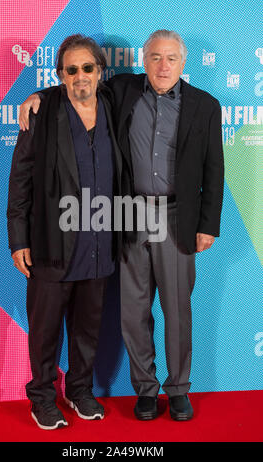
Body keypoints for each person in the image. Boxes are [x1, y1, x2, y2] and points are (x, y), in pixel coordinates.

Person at [19, 29, 224, 422]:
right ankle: (145, 391)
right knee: (133, 311)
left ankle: (178, 389)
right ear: (144, 61)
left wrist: (207, 224)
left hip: (177, 218)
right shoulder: (123, 90)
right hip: (128, 215)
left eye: (172, 59)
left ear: (184, 63)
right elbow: (78, 86)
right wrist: (39, 97)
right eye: (155, 58)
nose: (163, 66)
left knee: (177, 310)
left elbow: (214, 169)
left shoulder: (206, 106)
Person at [7, 34, 122, 430]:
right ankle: (41, 397)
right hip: (51, 244)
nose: (80, 77)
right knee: (45, 330)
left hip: (99, 242)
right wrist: (18, 239)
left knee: (88, 328)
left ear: (100, 72)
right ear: (60, 76)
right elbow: (19, 179)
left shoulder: (111, 104)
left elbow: (154, 83)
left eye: (87, 68)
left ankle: (79, 390)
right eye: (71, 70)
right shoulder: (41, 111)